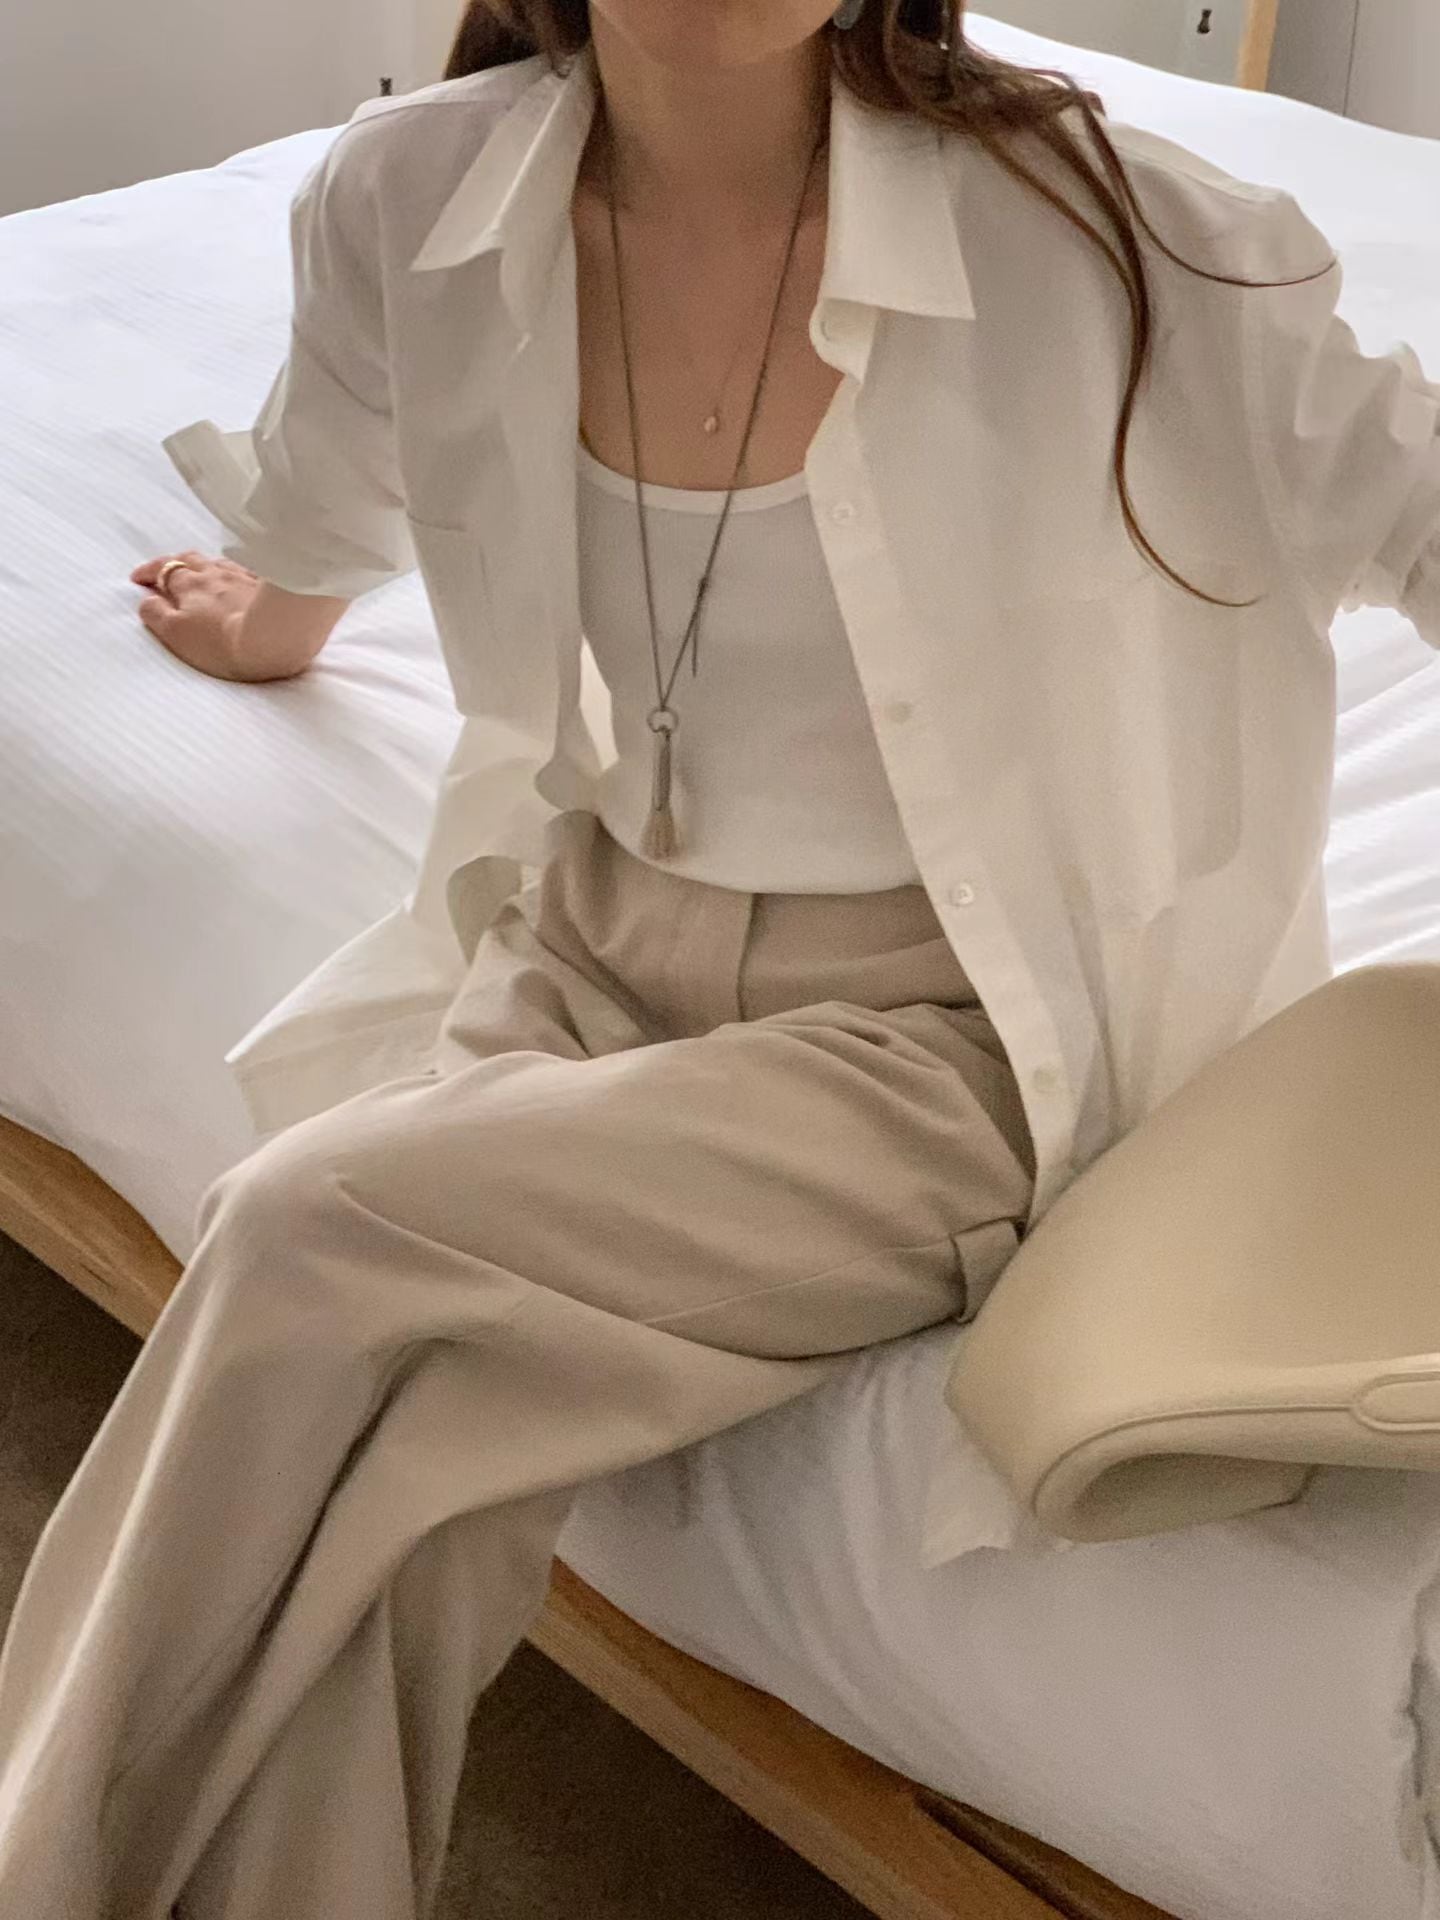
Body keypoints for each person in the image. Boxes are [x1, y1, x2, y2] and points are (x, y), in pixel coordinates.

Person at [1, 1, 1437, 1915]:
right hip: (590, 937)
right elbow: (350, 469)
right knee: (402, 1476)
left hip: (942, 1037)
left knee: (308, 1226)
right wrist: (269, 624)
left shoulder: (1124, 240)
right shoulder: (416, 191)